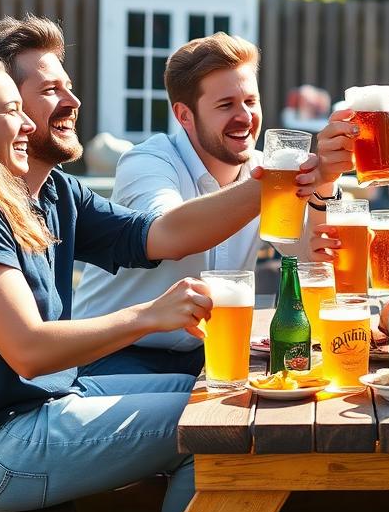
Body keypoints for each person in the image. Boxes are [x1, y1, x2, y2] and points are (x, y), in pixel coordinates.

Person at [0, 45, 209, 512]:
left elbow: (161, 236)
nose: (27, 126)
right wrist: (149, 315)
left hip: (40, 409)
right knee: (222, 431)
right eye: (12, 110)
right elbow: (28, 349)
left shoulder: (14, 197)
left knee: (213, 394)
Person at [73, 32, 352, 377]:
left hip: (204, 351)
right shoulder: (146, 162)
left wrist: (326, 179)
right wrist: (274, 182)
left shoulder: (262, 170)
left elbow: (309, 258)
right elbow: (171, 234)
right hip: (112, 354)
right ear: (184, 115)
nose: (245, 117)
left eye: (251, 101)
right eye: (226, 105)